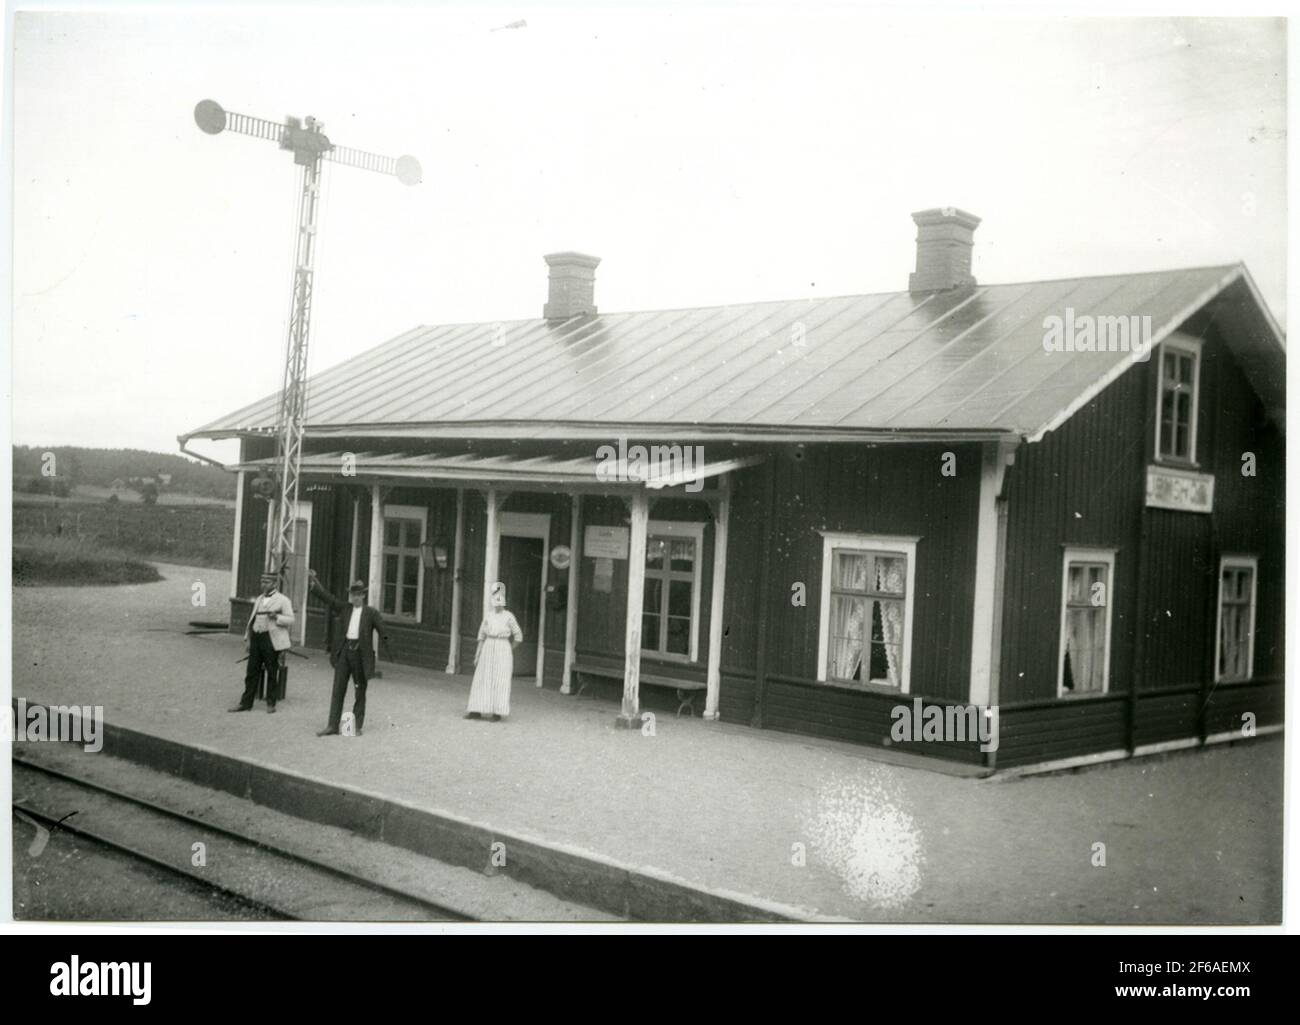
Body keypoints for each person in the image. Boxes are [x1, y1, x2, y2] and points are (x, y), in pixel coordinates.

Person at [307, 569, 392, 737]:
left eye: (358, 595)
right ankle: (332, 725)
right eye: (353, 595)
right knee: (338, 689)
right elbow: (329, 599)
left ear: (363, 596)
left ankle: (356, 726)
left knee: (359, 691)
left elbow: (384, 631)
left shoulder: (371, 613)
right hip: (345, 653)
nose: (355, 598)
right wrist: (314, 585)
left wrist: (391, 651)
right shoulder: (345, 609)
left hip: (361, 655)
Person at [229, 570, 295, 714]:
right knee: (251, 672)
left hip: (271, 640)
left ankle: (271, 703)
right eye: (262, 582)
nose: (263, 585)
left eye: (266, 582)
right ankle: (246, 703)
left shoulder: (283, 600)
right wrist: (249, 639)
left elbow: (291, 619)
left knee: (272, 671)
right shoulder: (259, 599)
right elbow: (252, 619)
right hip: (257, 638)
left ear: (274, 583)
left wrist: (277, 616)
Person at [465, 581, 522, 722]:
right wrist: (477, 655)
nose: (498, 604)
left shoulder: (509, 616)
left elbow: (518, 636)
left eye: (500, 601)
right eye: (496, 601)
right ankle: (476, 710)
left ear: (504, 602)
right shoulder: (489, 616)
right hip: (488, 648)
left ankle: (497, 712)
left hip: (503, 647)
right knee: (482, 678)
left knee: (500, 679)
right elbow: (481, 636)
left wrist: (509, 649)